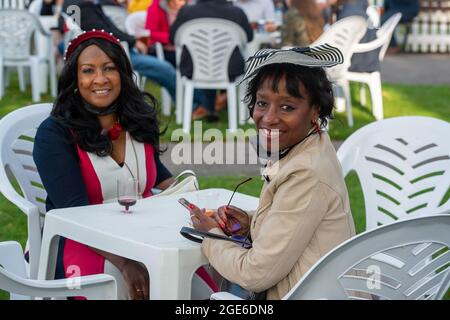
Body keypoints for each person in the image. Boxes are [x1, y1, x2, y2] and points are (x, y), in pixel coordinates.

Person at [188, 45, 356, 299]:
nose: (269, 117)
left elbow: (255, 274)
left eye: (287, 107)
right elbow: (296, 216)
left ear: (316, 110)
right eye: (262, 103)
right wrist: (251, 222)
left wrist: (210, 235)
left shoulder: (306, 172)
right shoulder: (309, 145)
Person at [33, 30, 176, 299]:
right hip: (80, 241)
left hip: (144, 236)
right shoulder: (54, 134)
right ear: (75, 79)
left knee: (194, 278)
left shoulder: (137, 120)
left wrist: (190, 198)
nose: (100, 79)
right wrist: (125, 262)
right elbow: (74, 214)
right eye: (88, 71)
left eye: (109, 68)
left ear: (122, 74)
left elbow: (156, 173)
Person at [60, 0, 177, 100]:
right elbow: (106, 32)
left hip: (107, 50)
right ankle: (190, 104)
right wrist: (134, 41)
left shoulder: (72, 4)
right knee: (165, 69)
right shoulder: (83, 7)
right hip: (112, 52)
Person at [170, 0, 254, 121]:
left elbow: (172, 37)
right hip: (229, 68)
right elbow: (249, 37)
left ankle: (208, 106)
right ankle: (218, 107)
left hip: (194, 67)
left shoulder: (186, 11)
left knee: (199, 60)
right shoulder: (237, 12)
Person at [145, 0, 187, 67]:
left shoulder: (188, 7)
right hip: (162, 49)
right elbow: (152, 33)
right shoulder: (156, 6)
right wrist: (172, 39)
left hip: (182, 47)